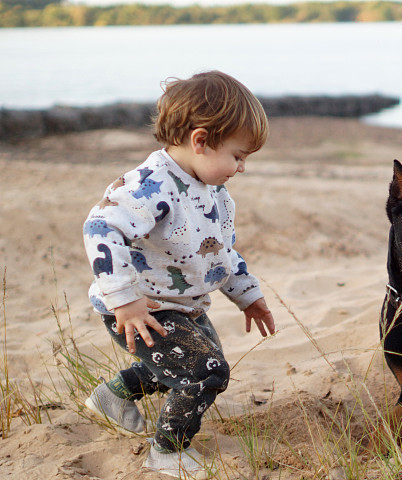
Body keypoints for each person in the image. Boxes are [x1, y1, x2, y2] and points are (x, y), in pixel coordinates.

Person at [81, 70, 275, 479]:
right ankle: (167, 451)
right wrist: (124, 298)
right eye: (238, 156)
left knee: (199, 367)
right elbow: (101, 227)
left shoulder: (216, 193)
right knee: (204, 372)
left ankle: (112, 395)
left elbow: (221, 253)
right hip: (142, 307)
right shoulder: (151, 184)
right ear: (200, 141)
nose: (242, 168)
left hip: (183, 305)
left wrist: (247, 294)